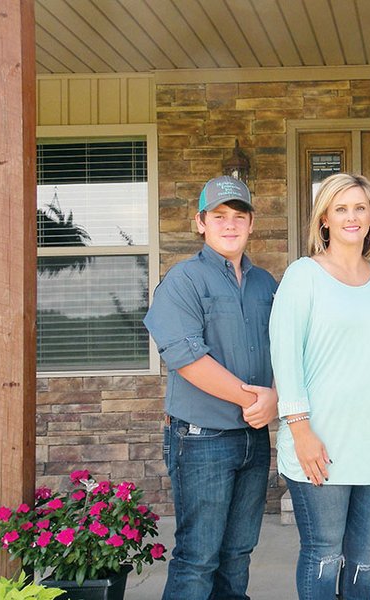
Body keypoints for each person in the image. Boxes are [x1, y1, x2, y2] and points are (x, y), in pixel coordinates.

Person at [270, 173, 370, 599]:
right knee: (324, 557)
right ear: (324, 219)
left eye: (360, 208)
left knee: (367, 562)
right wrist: (300, 429)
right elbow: (285, 354)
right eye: (341, 208)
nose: (352, 216)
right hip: (319, 443)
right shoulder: (303, 275)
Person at [144, 176, 278, 600]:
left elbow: (287, 348)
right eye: (219, 216)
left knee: (238, 554)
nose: (230, 224)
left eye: (239, 216)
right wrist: (256, 400)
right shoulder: (183, 280)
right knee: (198, 558)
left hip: (252, 440)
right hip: (202, 439)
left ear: (252, 223)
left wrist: (274, 397)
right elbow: (186, 358)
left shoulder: (267, 285)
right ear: (200, 222)